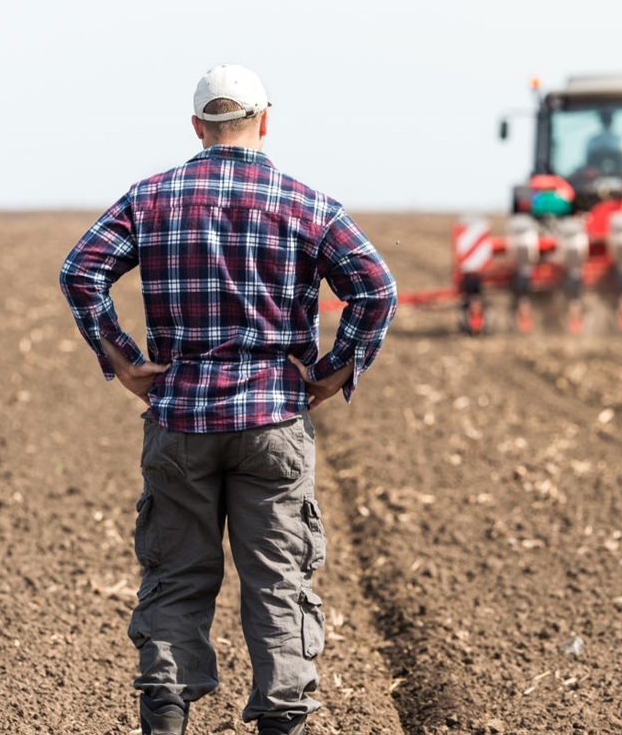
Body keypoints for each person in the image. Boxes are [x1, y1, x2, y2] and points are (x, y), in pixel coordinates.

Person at [60, 64, 398, 735]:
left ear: (198, 128)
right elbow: (377, 288)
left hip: (180, 421)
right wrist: (333, 372)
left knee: (177, 574)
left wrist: (123, 359)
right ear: (264, 121)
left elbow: (80, 271)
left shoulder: (151, 198)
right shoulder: (307, 203)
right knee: (279, 580)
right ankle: (283, 718)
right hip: (274, 418)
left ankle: (165, 710)